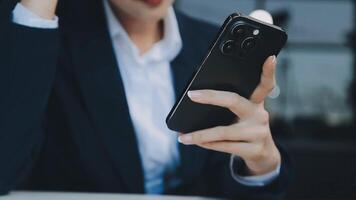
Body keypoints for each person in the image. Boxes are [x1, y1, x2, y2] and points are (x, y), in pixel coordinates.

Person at [0, 0, 291, 199]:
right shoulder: (41, 36)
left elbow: (219, 180)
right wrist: (36, 16)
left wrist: (260, 165)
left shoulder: (209, 43)